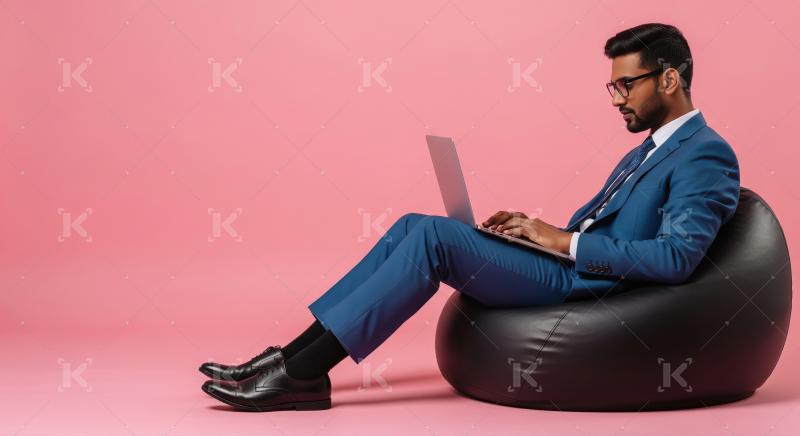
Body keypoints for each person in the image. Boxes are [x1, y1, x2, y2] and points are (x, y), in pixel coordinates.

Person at [198, 22, 740, 412]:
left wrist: (564, 244)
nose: (616, 98)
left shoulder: (704, 154)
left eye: (627, 84)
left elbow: (677, 258)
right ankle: (286, 359)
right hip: (568, 263)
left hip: (586, 284)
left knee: (434, 237)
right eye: (612, 85)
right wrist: (536, 231)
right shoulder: (648, 147)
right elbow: (611, 224)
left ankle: (301, 374)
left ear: (668, 80)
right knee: (415, 223)